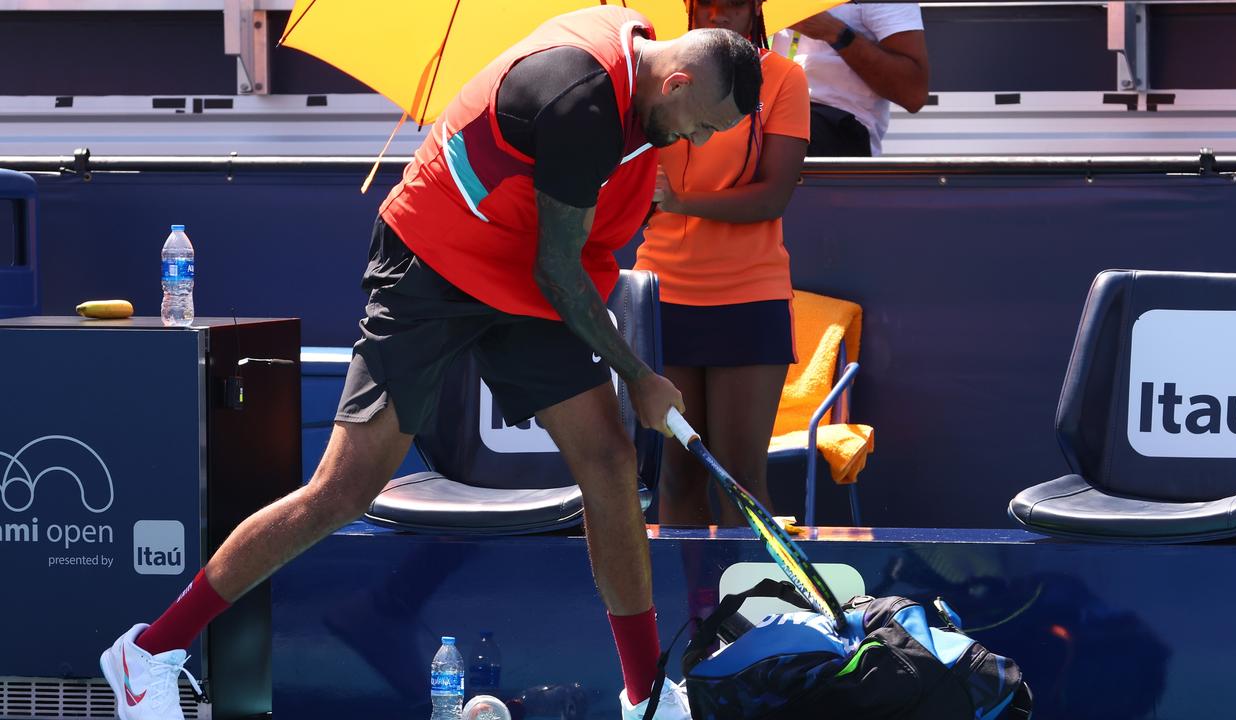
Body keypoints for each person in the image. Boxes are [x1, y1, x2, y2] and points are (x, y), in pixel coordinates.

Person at [97, 7, 762, 720]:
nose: (699, 141)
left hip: (517, 264)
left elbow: (569, 236)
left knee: (607, 461)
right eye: (704, 124)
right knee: (341, 491)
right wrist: (640, 376)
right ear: (679, 81)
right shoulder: (583, 100)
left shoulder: (637, 82)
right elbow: (560, 271)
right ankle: (148, 652)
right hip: (436, 265)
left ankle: (646, 697)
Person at [635, 0, 809, 527]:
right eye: (702, 3)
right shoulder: (654, 81)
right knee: (677, 477)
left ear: (756, 9)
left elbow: (772, 197)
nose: (716, 14)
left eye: (730, 2)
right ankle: (693, 610)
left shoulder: (784, 79)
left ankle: (753, 611)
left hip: (749, 296)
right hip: (660, 295)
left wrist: (682, 202)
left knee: (739, 480)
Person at [774, 2, 929, 156]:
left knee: (772, 140)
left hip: (835, 125)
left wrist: (835, 32)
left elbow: (913, 95)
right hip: (771, 112)